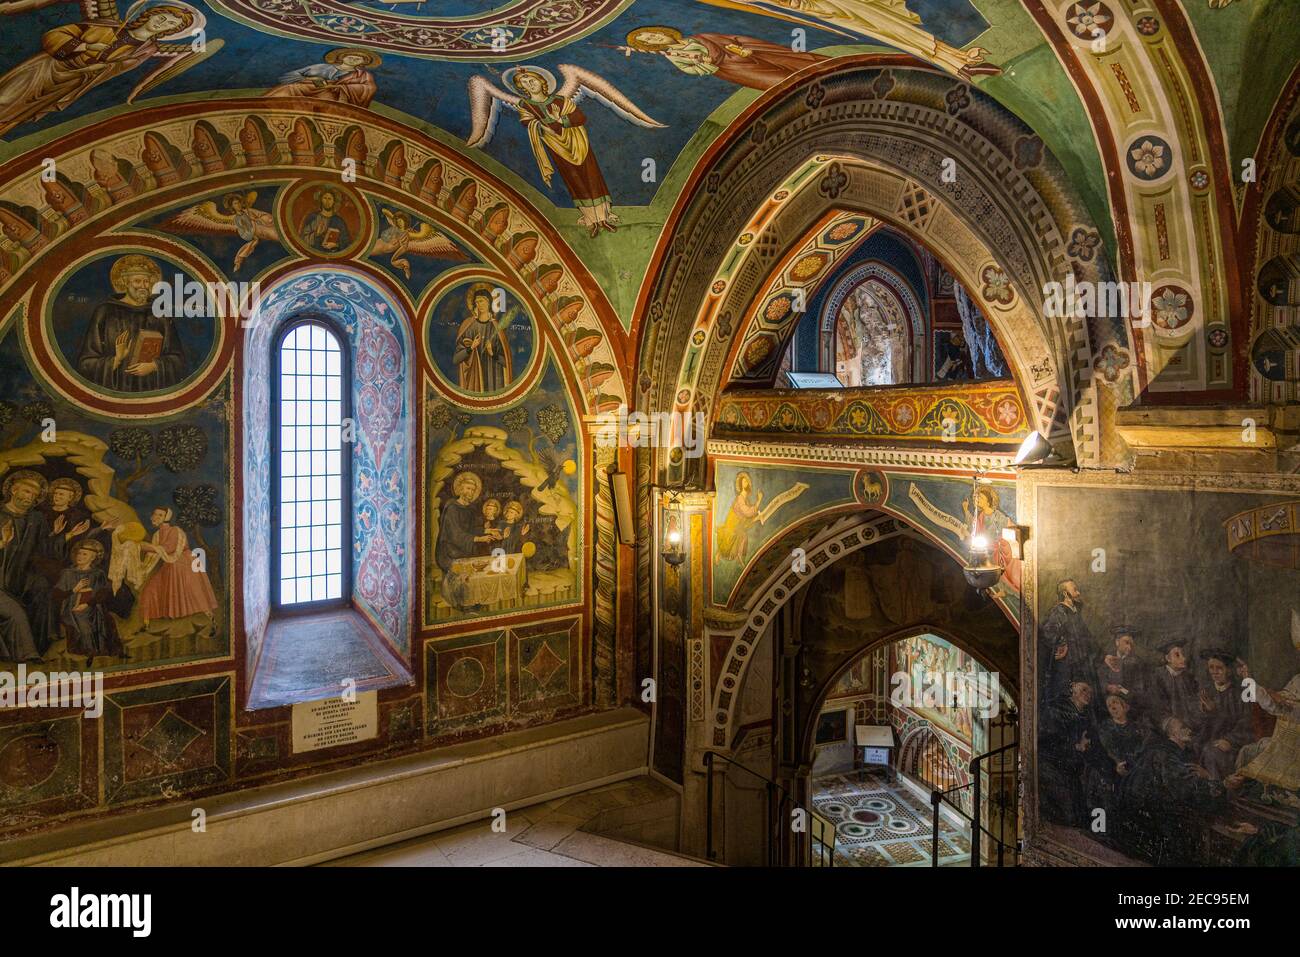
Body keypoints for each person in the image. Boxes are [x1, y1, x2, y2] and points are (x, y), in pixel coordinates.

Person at [0, 4, 197, 139]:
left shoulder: (147, 50)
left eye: (170, 24)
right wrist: (84, 47)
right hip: (46, 68)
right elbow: (55, 34)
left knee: (20, 113)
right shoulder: (109, 25)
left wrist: (100, 67)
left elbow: (117, 69)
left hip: (74, 80)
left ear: (172, 31)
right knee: (5, 98)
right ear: (149, 14)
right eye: (161, 17)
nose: (161, 24)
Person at [511, 67, 616, 237]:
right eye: (524, 83)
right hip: (556, 146)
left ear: (542, 81)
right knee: (574, 180)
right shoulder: (526, 106)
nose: (529, 84)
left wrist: (560, 120)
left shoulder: (561, 100)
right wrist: (542, 125)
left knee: (592, 176)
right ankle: (591, 219)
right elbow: (527, 123)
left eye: (532, 80)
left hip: (577, 142)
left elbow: (580, 118)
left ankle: (604, 217)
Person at [1117, 715, 1229, 864]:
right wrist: (1212, 780)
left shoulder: (1168, 750)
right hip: (1148, 814)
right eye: (1183, 728)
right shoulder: (1167, 755)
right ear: (1174, 734)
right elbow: (1184, 790)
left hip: (1142, 807)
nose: (1188, 730)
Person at [74, 254, 188, 393]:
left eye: (146, 282)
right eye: (137, 281)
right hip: (116, 391)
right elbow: (86, 364)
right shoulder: (105, 312)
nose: (143, 286)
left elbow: (178, 360)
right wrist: (116, 360)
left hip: (150, 390)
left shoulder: (160, 314)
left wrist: (153, 366)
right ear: (125, 282)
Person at [621, 27, 827, 90]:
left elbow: (729, 39)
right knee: (776, 80)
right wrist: (706, 64)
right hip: (732, 68)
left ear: (661, 32)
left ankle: (822, 71)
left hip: (746, 53)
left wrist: (739, 48)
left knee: (788, 61)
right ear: (649, 45)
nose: (654, 37)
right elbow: (693, 70)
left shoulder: (699, 37)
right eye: (648, 40)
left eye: (652, 33)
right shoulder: (673, 57)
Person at [0, 471, 56, 658]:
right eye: (26, 492)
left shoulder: (36, 519)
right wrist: (3, 544)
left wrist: (62, 536)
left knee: (42, 588)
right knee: (15, 613)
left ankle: (40, 646)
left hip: (21, 575)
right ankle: (25, 653)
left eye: (33, 495)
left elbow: (45, 549)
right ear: (14, 490)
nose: (29, 497)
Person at [137, 506, 218, 625]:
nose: (156, 517)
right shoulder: (156, 535)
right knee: (150, 589)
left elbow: (168, 548)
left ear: (166, 518)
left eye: (160, 515)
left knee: (194, 592)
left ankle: (212, 620)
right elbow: (154, 555)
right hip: (170, 564)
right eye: (155, 514)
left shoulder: (175, 530)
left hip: (185, 563)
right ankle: (146, 625)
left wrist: (146, 546)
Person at [52, 539, 124, 668]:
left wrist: (88, 603)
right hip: (71, 606)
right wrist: (75, 589)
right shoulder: (68, 573)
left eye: (84, 554)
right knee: (81, 616)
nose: (80, 557)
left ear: (93, 557)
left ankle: (111, 650)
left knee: (107, 618)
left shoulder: (97, 574)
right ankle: (90, 650)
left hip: (92, 604)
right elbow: (57, 594)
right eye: (79, 554)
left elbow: (103, 592)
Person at [1195, 649, 1254, 780]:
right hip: (1208, 739)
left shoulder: (1239, 693)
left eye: (1219, 668)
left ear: (1228, 670)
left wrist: (1229, 741)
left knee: (1211, 753)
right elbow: (1199, 724)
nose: (1214, 672)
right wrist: (1207, 712)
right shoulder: (1206, 691)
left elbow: (1246, 723)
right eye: (1211, 667)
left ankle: (1220, 791)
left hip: (1232, 745)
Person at [1038, 579, 1094, 706]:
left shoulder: (1075, 613)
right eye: (1074, 590)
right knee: (1066, 699)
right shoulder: (1059, 612)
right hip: (1066, 667)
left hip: (1080, 664)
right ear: (1065, 594)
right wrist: (1061, 644)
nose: (1078, 593)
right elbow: (1047, 634)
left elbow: (1086, 636)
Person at [266, 48, 380, 107]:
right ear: (342, 57)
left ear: (363, 62)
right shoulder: (322, 67)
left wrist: (340, 87)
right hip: (311, 87)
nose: (353, 59)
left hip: (336, 94)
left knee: (327, 99)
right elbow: (292, 75)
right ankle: (267, 105)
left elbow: (368, 88)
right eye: (350, 56)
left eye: (358, 59)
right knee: (290, 88)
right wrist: (312, 79)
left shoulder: (363, 75)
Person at [452, 285, 512, 392]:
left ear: (489, 302)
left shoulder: (497, 328)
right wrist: (471, 348)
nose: (480, 304)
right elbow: (456, 359)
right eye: (477, 302)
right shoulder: (468, 326)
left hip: (494, 381)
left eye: (482, 301)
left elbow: (506, 362)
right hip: (474, 383)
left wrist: (492, 353)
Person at [1149, 638, 1201, 734]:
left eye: (1183, 654)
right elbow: (1157, 707)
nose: (1183, 658)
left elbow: (1195, 704)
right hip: (1167, 725)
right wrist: (1171, 723)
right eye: (1177, 655)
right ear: (1168, 658)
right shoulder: (1157, 676)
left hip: (1190, 725)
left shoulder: (1189, 677)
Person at [715, 472, 762, 564]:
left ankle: (739, 557)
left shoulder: (745, 499)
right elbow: (747, 512)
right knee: (731, 540)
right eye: (743, 482)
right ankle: (721, 554)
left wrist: (756, 516)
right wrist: (759, 501)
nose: (746, 483)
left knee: (743, 536)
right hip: (733, 522)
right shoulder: (740, 498)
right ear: (740, 484)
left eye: (746, 481)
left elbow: (748, 514)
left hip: (739, 523)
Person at [1097, 692, 1147, 778]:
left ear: (1125, 707)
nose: (1112, 707)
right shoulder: (1105, 728)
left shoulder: (1136, 727)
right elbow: (1105, 752)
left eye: (1115, 702)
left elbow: (1141, 748)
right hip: (1114, 771)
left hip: (1137, 768)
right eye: (1109, 706)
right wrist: (1116, 766)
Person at [297, 186, 351, 254]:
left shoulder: (339, 221)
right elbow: (303, 239)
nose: (327, 201)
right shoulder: (313, 217)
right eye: (325, 198)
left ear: (334, 201)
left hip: (333, 257)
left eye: (330, 199)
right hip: (313, 254)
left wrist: (336, 245)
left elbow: (346, 242)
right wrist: (316, 233)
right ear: (321, 200)